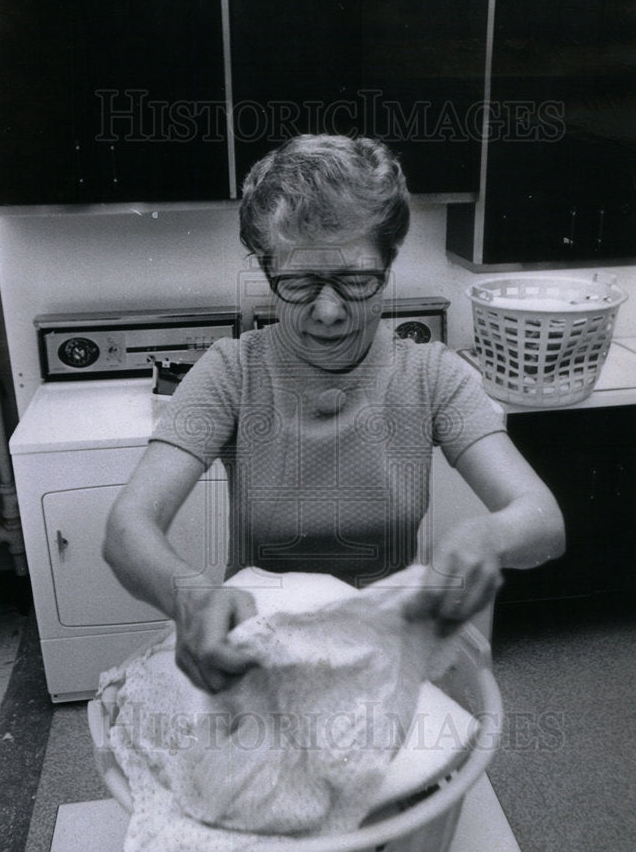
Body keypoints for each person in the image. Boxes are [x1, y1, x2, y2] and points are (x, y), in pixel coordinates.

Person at [103, 134, 565, 693]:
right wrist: (190, 597)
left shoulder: (431, 375)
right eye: (297, 283)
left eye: (355, 281)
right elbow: (128, 529)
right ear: (268, 273)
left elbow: (543, 518)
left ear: (387, 268)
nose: (327, 311)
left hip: (388, 647)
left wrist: (490, 537)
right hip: (261, 650)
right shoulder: (232, 372)